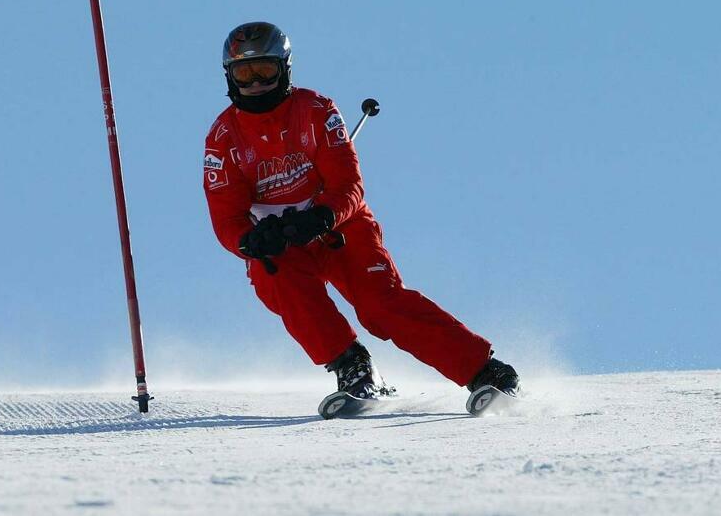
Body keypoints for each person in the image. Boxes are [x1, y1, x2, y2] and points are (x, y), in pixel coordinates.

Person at [202, 21, 519, 401]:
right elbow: (226, 217)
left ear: (285, 68)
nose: (255, 84)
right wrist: (249, 241)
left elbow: (348, 184)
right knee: (273, 276)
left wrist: (323, 216)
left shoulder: (316, 110)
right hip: (284, 242)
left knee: (378, 303)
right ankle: (352, 365)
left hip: (339, 228)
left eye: (264, 71)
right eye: (244, 74)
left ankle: (485, 370)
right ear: (229, 77)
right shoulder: (223, 139)